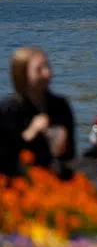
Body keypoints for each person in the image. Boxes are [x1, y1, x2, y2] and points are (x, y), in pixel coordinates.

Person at [0, 48, 74, 177]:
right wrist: (30, 133)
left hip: (55, 179)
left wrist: (63, 146)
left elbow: (70, 156)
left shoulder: (60, 105)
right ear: (22, 75)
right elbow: (5, 159)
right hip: (19, 181)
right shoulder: (8, 109)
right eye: (39, 69)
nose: (47, 73)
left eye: (47, 66)